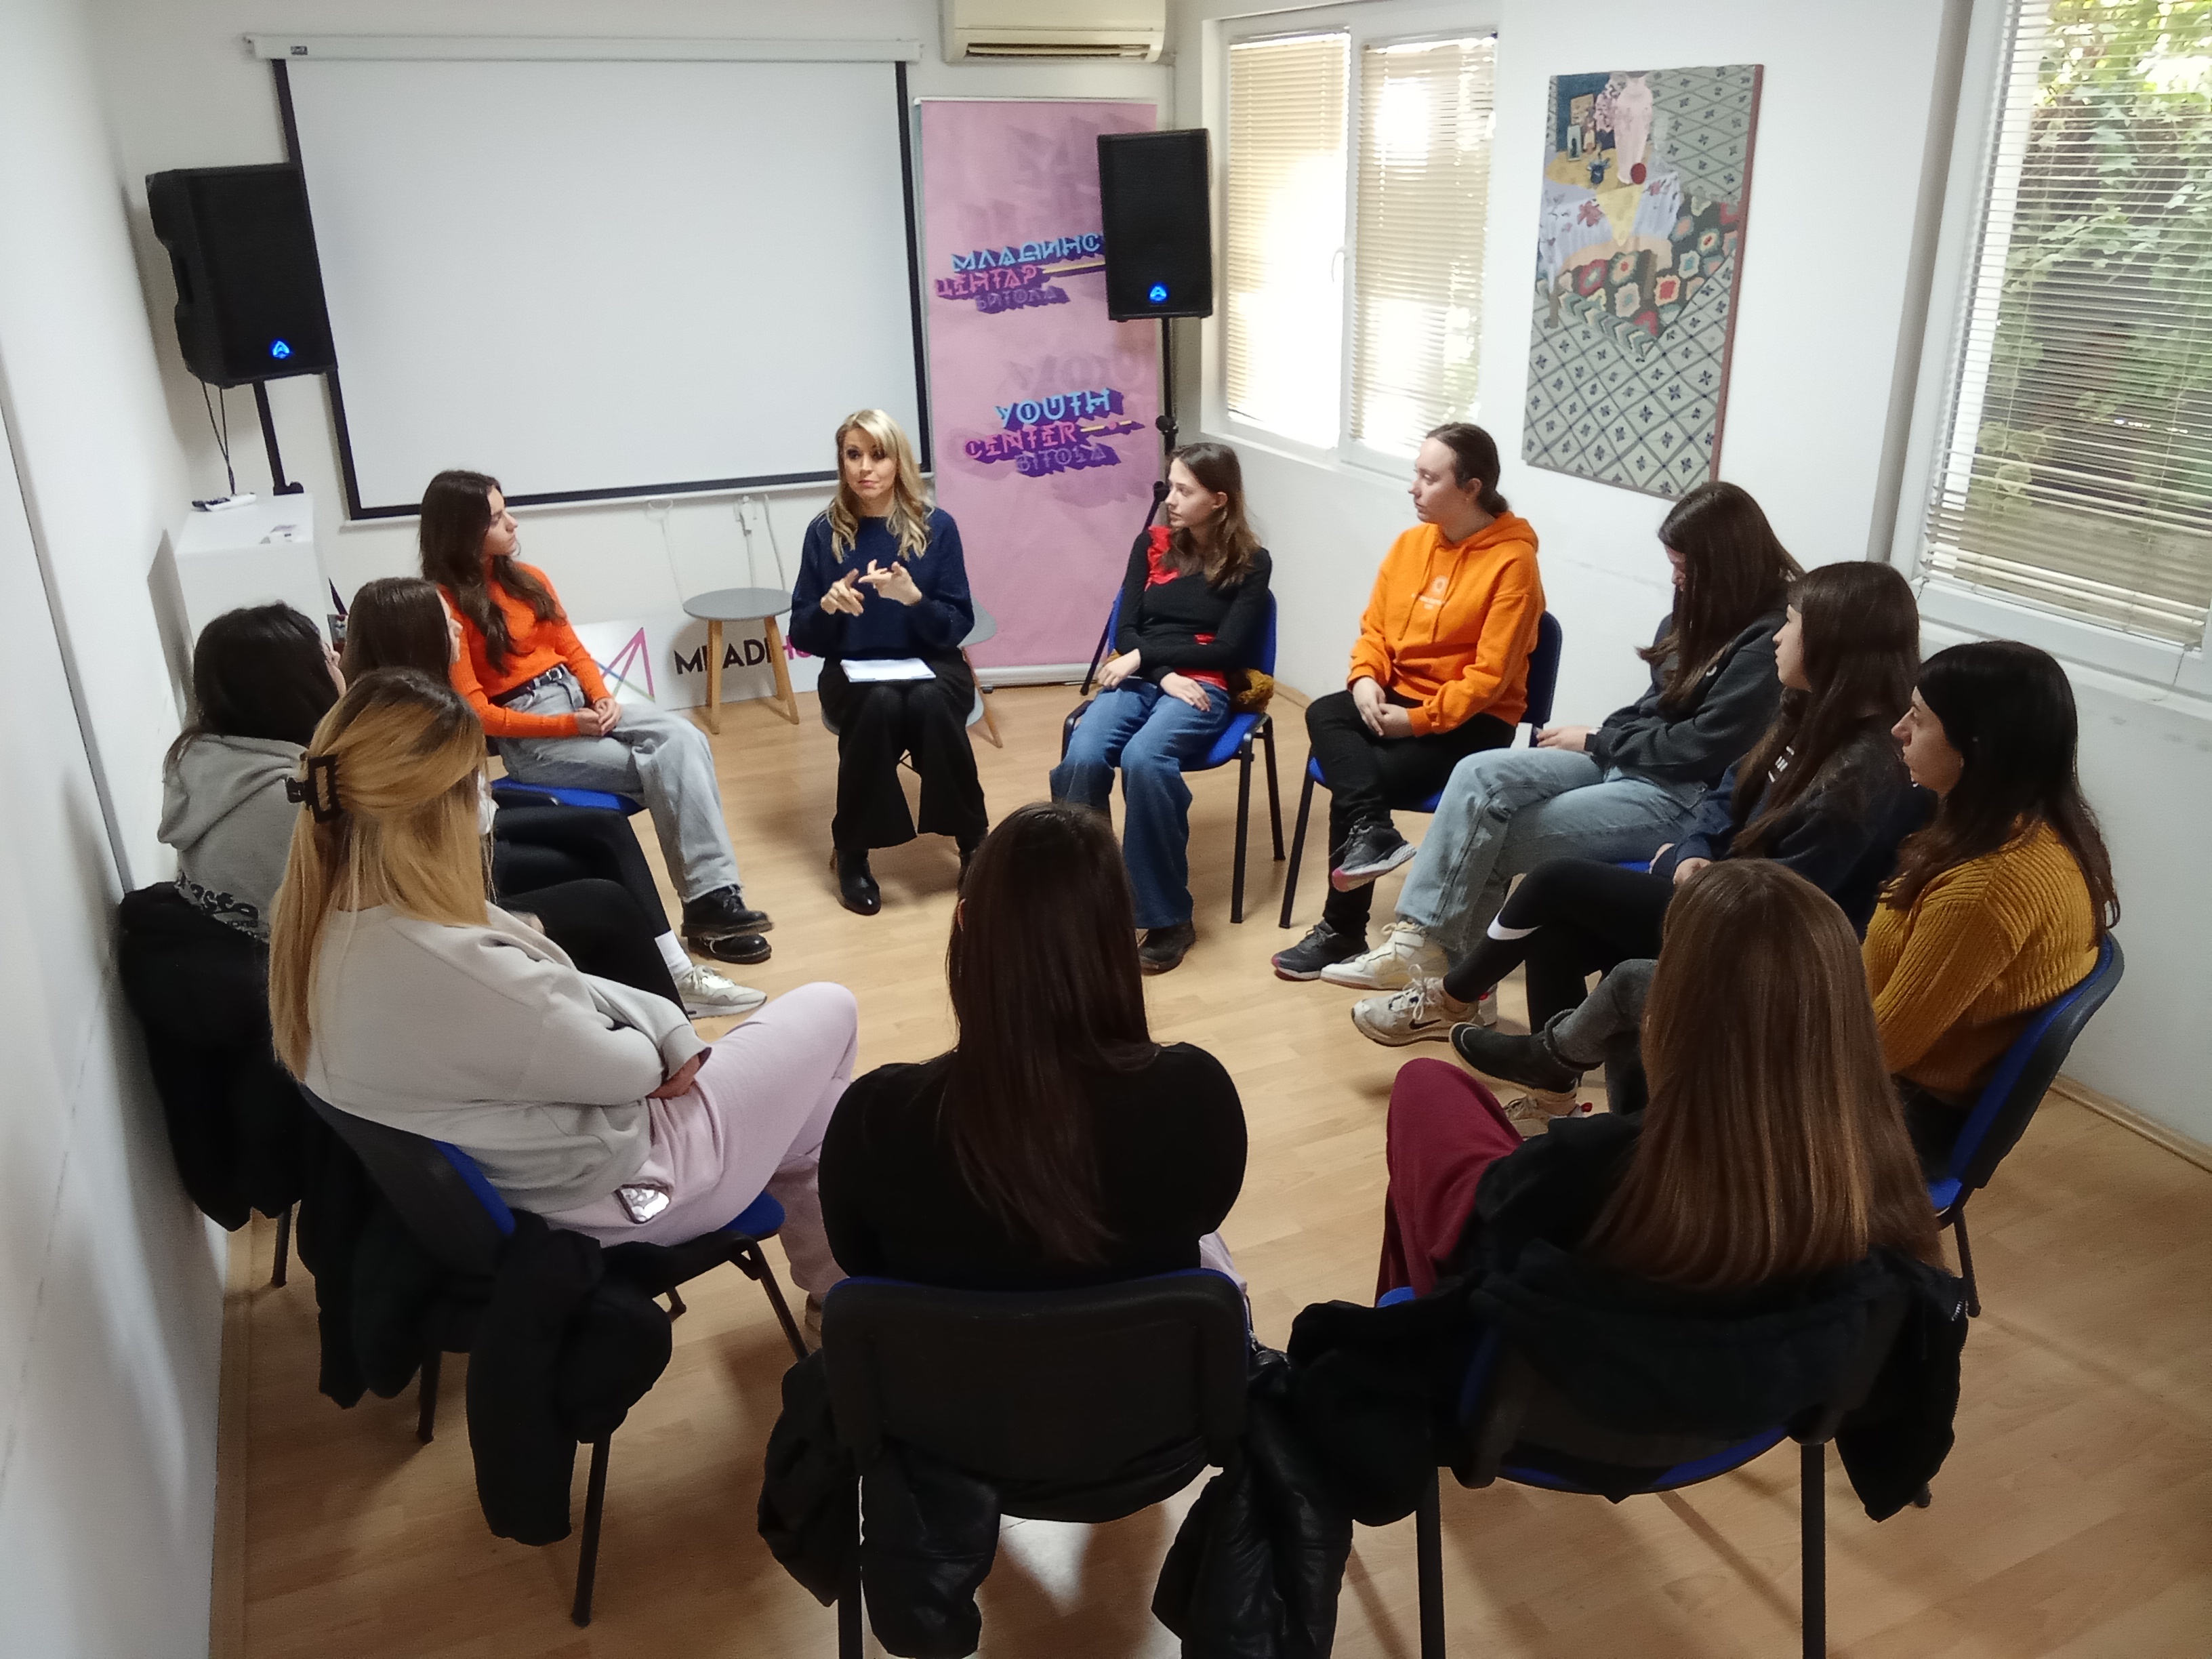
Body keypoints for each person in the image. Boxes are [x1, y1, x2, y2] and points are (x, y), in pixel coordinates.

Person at [1283, 864, 1963, 1530]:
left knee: (1429, 1086)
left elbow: (1469, 1251)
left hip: (1532, 1421)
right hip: (1744, 1421)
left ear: (1674, 1001)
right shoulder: (1882, 1187)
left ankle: (1406, 1376)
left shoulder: (1587, 1163)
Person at [266, 668, 852, 1303]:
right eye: (476, 780)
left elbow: (564, 993)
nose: (486, 797)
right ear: (437, 811)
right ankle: (838, 1292)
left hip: (538, 1174)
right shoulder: (453, 963)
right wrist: (661, 1037)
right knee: (832, 1010)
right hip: (619, 1192)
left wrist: (666, 1026)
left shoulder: (323, 927)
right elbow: (628, 1067)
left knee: (807, 1112)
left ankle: (836, 1289)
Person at [1372, 562, 1924, 1122]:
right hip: (1719, 891)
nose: (1778, 637)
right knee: (1556, 935)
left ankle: (1454, 998)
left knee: (1556, 881)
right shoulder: (1805, 712)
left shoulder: (1863, 773)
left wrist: (1690, 871)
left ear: (1831, 641)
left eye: (1791, 624)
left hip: (1759, 942)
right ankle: (1551, 1098)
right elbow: (1726, 791)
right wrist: (1693, 849)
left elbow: (1785, 898)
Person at [1317, 480, 1801, 1010]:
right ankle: (1422, 948)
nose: (1675, 579)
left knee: (1490, 838)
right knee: (1478, 774)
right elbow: (1653, 706)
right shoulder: (1702, 606)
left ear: (1727, 565)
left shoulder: (1768, 639)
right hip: (1630, 762)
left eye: (1685, 568)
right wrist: (1606, 738)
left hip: (1681, 796)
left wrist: (1598, 738)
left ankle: (1456, 993)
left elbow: (1701, 748)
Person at [819, 802, 1246, 1292]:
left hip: (950, 1345)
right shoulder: (1197, 1093)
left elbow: (859, 1261)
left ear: (966, 920)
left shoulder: (875, 1116)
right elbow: (1205, 1214)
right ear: (1120, 932)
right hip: (1152, 1342)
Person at [342, 576, 763, 1016]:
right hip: (457, 854)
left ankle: (701, 920)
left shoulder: (412, 697)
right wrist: (561, 731)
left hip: (495, 798)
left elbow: (571, 649)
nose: (459, 630)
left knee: (673, 753)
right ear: (420, 636)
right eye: (448, 624)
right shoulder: (417, 719)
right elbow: (462, 824)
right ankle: (673, 978)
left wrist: (599, 697)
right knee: (609, 842)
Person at [419, 469, 769, 956]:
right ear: (462, 532)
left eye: (506, 511)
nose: (513, 524)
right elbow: (477, 714)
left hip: (580, 702)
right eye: (496, 519)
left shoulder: (529, 579)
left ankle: (710, 902)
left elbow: (573, 650)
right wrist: (568, 724)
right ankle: (711, 904)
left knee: (686, 738)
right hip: (534, 735)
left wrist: (601, 696)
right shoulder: (444, 606)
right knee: (672, 765)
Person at [1272, 424, 1545, 981]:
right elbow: (1376, 628)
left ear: (1471, 488)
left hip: (1472, 721)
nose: (1413, 487)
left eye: (1428, 477)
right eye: (1415, 474)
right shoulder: (1411, 544)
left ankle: (1342, 928)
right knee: (1325, 711)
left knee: (1358, 775)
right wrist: (1365, 679)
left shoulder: (1514, 563)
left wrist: (1418, 722)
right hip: (1399, 697)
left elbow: (1490, 678)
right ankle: (1373, 831)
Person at [1870, 640, 2116, 1163]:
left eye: (1918, 718)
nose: (1899, 729)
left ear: (1975, 746)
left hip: (1904, 1110)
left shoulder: (1985, 889)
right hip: (1892, 1069)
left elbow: (1881, 1047)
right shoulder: (2029, 831)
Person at [1049, 443, 1274, 974]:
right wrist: (1160, 672)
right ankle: (1089, 898)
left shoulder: (1251, 561)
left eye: (1183, 490)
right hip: (1148, 678)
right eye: (1170, 485)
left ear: (1218, 500)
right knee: (1083, 755)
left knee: (1146, 760)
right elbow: (1124, 629)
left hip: (1203, 685)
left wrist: (1150, 658)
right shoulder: (1150, 545)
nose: (1169, 499)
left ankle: (1168, 917)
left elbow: (1229, 649)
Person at [787, 409, 989, 916]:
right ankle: (853, 851)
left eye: (877, 455)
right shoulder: (824, 532)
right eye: (853, 455)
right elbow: (803, 635)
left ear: (899, 461)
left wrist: (914, 599)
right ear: (841, 462)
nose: (865, 468)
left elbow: (956, 625)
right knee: (877, 703)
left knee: (929, 702)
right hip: (854, 671)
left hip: (933, 664)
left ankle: (972, 841)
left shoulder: (938, 527)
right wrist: (827, 608)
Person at [159, 603, 342, 938]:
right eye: (328, 660)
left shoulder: (197, 761)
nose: (339, 660)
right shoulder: (297, 802)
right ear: (300, 688)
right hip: (282, 960)